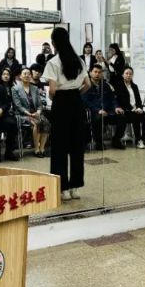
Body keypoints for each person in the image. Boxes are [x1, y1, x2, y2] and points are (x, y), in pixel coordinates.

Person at [43, 27, 90, 201]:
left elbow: (52, 90)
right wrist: (76, 94)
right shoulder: (79, 60)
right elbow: (88, 84)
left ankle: (63, 189)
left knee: (59, 147)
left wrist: (54, 97)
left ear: (54, 43)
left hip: (61, 103)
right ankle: (75, 187)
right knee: (77, 145)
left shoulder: (53, 62)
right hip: (76, 102)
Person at [83, 64, 125, 151]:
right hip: (95, 112)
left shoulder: (105, 85)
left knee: (121, 117)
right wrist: (98, 110)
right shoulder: (86, 85)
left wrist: (116, 107)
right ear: (90, 73)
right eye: (95, 72)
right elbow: (85, 101)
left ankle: (116, 140)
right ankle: (99, 142)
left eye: (99, 72)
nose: (97, 74)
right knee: (98, 118)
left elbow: (112, 98)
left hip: (108, 111)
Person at [12, 67, 51, 158]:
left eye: (29, 74)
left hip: (36, 113)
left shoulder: (34, 88)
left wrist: (38, 112)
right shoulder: (15, 88)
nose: (27, 75)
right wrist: (29, 114)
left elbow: (39, 104)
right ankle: (36, 149)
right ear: (20, 76)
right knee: (37, 123)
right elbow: (18, 105)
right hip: (23, 114)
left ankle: (42, 148)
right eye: (24, 74)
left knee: (46, 123)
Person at [114, 66, 145, 149]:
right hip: (126, 110)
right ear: (123, 75)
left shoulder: (135, 86)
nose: (128, 75)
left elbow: (138, 100)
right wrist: (133, 109)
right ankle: (138, 140)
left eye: (130, 74)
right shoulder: (119, 86)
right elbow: (123, 101)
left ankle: (144, 140)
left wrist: (139, 108)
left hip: (136, 109)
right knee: (136, 117)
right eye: (126, 73)